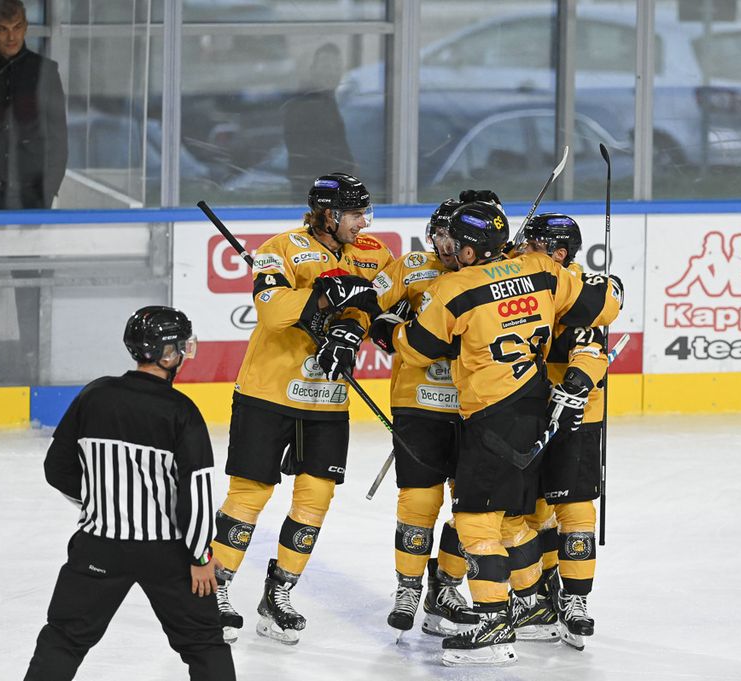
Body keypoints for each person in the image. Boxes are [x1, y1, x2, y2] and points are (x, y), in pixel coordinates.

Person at [392, 200, 621, 666]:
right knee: (513, 518)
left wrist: (394, 324)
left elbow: (415, 349)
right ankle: (533, 605)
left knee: (476, 518)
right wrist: (610, 285)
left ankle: (493, 624)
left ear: (469, 250)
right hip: (535, 409)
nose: (449, 250)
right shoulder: (542, 270)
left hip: (491, 416)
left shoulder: (453, 287)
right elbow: (604, 306)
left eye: (455, 244)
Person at [210, 172, 392, 646]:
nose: (363, 223)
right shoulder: (281, 248)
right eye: (355, 214)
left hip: (326, 398)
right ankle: (215, 591)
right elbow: (272, 312)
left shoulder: (373, 254)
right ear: (329, 215)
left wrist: (349, 331)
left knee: (315, 499)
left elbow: (376, 304)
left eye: (365, 213)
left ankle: (279, 594)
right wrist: (324, 295)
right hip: (267, 392)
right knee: (249, 495)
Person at [25, 306, 235, 681]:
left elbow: (56, 468)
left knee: (64, 639)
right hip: (167, 554)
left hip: (98, 546)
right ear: (167, 353)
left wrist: (103, 501)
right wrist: (201, 555)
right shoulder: (182, 411)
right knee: (204, 645)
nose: (185, 352)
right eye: (181, 345)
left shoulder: (94, 395)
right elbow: (196, 493)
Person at [367, 197, 477, 640]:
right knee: (419, 501)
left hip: (476, 408)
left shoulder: (489, 272)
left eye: (455, 237)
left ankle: (445, 588)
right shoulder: (411, 267)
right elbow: (368, 308)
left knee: (472, 506)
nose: (447, 246)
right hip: (418, 403)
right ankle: (408, 588)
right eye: (441, 236)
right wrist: (386, 326)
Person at [521, 213, 624, 651]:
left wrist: (577, 384)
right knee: (531, 508)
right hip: (526, 411)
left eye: (533, 245)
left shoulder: (584, 289)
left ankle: (576, 599)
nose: (524, 251)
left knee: (575, 507)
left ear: (558, 254)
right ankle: (539, 592)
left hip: (578, 415)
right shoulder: (522, 284)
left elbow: (591, 346)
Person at [0, 0, 67, 209]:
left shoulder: (46, 72)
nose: (11, 37)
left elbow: (58, 140)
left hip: (31, 200)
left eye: (17, 27)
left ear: (26, 27)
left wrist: (48, 194)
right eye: (2, 29)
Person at [284, 44, 357, 202]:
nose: (332, 72)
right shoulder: (305, 105)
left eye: (336, 67)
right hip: (316, 197)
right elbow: (309, 157)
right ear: (313, 70)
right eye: (326, 66)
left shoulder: (329, 101)